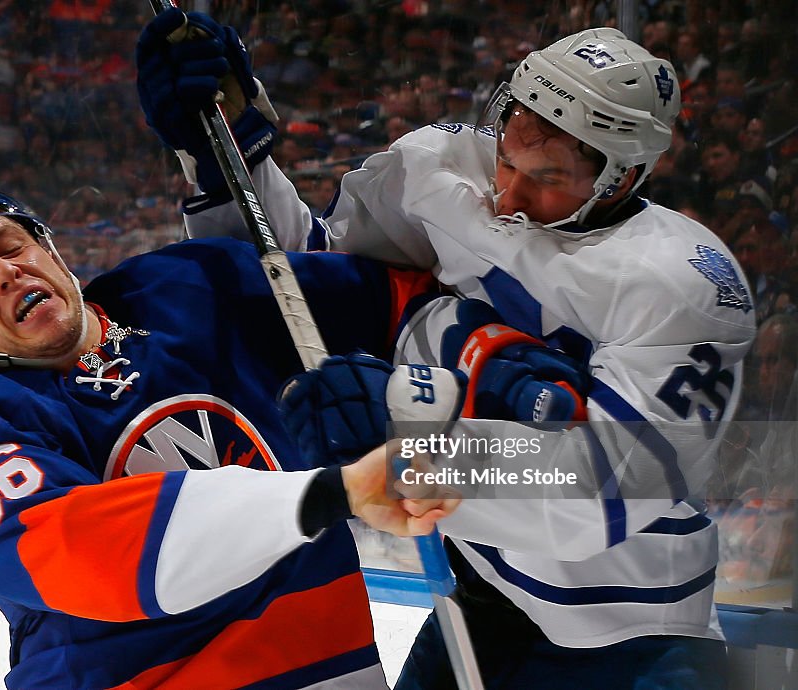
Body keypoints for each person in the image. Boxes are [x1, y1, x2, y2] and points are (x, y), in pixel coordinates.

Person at [137, 13, 756, 689]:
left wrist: (407, 437)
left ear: (623, 177)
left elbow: (605, 487)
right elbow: (308, 285)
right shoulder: (440, 172)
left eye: (549, 178)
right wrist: (227, 152)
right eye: (508, 156)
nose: (510, 196)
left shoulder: (683, 284)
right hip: (481, 597)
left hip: (632, 631)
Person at [0, 180, 461, 689]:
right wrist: (334, 493)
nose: (7, 271)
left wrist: (410, 391)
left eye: (12, 247)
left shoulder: (185, 286)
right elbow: (88, 553)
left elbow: (400, 304)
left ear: (52, 252)